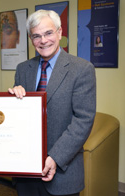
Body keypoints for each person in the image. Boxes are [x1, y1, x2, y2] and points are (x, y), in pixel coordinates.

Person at [8, 10, 96, 196]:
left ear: (59, 32)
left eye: (48, 33)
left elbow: (83, 121)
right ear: (31, 39)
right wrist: (12, 100)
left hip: (63, 173)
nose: (43, 40)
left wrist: (55, 157)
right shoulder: (23, 69)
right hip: (26, 172)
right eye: (36, 36)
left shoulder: (81, 69)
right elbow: (17, 118)